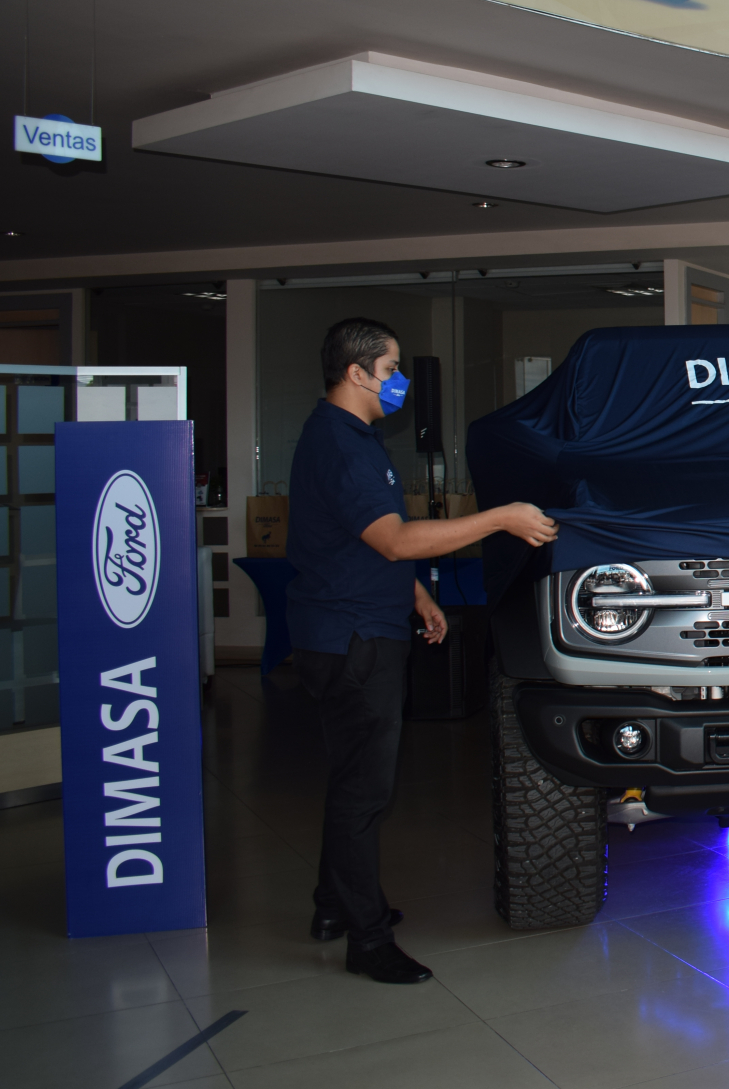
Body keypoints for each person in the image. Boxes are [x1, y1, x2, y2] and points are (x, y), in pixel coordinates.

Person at [287, 317, 559, 983]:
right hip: (353, 639)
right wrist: (501, 518)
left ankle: (333, 905)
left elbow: (358, 538)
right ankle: (367, 940)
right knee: (364, 791)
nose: (400, 381)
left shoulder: (349, 436)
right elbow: (395, 538)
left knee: (352, 778)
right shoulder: (342, 444)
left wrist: (415, 595)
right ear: (357, 373)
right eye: (391, 369)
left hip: (354, 624)